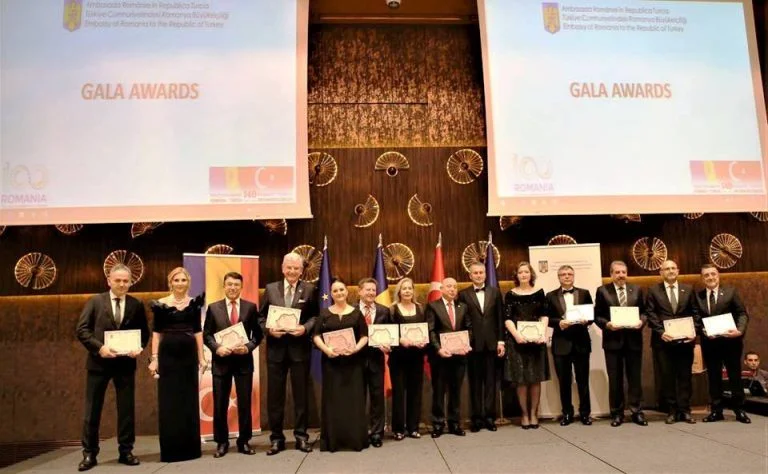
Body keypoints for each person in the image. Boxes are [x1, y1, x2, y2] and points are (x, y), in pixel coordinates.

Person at [75, 264, 149, 471]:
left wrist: (139, 347)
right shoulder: (95, 301)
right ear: (109, 281)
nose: (122, 284)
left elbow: (144, 333)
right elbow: (82, 330)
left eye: (126, 281)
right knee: (92, 410)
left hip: (125, 364)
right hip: (98, 363)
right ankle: (89, 453)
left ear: (131, 282)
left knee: (126, 410)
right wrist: (100, 348)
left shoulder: (136, 304)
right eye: (118, 280)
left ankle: (126, 451)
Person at [257, 252, 319, 455]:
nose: (292, 271)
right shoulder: (270, 289)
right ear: (283, 269)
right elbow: (260, 317)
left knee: (301, 396)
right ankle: (276, 439)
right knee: (275, 397)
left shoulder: (309, 289)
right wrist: (269, 330)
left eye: (296, 268)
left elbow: (316, 317)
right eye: (289, 267)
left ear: (301, 271)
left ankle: (301, 437)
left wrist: (305, 328)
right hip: (276, 350)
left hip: (300, 350)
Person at [203, 272, 264, 458]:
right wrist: (217, 348)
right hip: (221, 363)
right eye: (229, 284)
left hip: (244, 362)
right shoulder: (213, 308)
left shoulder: (250, 307)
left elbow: (258, 335)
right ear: (224, 286)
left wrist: (248, 347)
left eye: (236, 285)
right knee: (220, 404)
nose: (233, 288)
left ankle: (244, 441)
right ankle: (221, 442)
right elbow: (207, 335)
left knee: (245, 403)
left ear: (241, 287)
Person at [148, 267, 206, 462]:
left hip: (188, 357)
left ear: (188, 283)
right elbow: (156, 333)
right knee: (169, 402)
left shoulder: (194, 304)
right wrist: (154, 358)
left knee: (188, 401)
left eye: (183, 280)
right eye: (176, 280)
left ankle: (190, 449)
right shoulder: (160, 304)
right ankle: (171, 450)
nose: (180, 283)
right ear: (170, 282)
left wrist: (202, 357)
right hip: (168, 357)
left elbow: (198, 332)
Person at [312, 278, 369, 452]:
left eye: (341, 290)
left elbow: (364, 336)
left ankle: (355, 440)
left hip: (353, 364)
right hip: (331, 364)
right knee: (333, 402)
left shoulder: (356, 313)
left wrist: (355, 349)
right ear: (331, 294)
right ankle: (333, 441)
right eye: (335, 291)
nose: (339, 293)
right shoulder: (324, 314)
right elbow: (316, 336)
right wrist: (326, 350)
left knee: (353, 401)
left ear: (347, 291)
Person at [694, 264, 751, 423]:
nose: (710, 277)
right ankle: (716, 411)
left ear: (718, 275)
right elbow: (696, 318)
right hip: (710, 343)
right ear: (702, 278)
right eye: (706, 275)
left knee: (734, 377)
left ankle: (739, 410)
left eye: (713, 274)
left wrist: (739, 330)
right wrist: (702, 330)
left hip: (731, 342)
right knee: (713, 377)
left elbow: (742, 314)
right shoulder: (698, 296)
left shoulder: (731, 292)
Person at [594, 260, 647, 427]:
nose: (621, 275)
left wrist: (641, 322)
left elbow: (644, 312)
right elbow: (597, 316)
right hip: (613, 341)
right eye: (617, 272)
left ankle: (636, 412)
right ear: (611, 274)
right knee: (615, 379)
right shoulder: (602, 291)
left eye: (623, 272)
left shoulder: (637, 289)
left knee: (635, 379)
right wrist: (607, 324)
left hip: (633, 341)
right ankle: (617, 413)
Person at [645, 259, 697, 424]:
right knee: (667, 377)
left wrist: (693, 331)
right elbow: (650, 314)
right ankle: (672, 410)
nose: (671, 271)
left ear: (678, 271)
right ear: (661, 272)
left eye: (673, 268)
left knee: (685, 376)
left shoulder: (688, 289)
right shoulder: (653, 291)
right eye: (667, 268)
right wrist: (661, 332)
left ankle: (685, 410)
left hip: (685, 341)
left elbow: (695, 312)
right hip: (663, 342)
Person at [457, 262, 504, 432]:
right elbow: (462, 321)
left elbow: (500, 318)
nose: (478, 275)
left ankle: (490, 417)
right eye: (475, 273)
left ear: (485, 274)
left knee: (491, 383)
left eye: (481, 272)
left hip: (492, 344)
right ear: (470, 275)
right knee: (475, 383)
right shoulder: (463, 294)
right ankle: (476, 418)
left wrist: (501, 341)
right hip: (472, 345)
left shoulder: (495, 292)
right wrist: (464, 342)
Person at [545, 265, 594, 426]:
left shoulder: (584, 293)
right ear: (558, 277)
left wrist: (587, 321)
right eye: (563, 274)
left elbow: (591, 316)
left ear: (573, 276)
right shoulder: (550, 296)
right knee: (564, 382)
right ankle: (567, 413)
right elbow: (547, 318)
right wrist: (559, 323)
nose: (567, 276)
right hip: (561, 344)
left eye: (569, 274)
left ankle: (585, 413)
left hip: (581, 343)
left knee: (583, 381)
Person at [503, 261, 549, 430]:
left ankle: (533, 414)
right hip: (517, 342)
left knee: (535, 379)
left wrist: (542, 333)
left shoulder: (540, 293)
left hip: (537, 342)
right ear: (516, 275)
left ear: (531, 274)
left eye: (526, 272)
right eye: (520, 272)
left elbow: (544, 315)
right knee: (521, 380)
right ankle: (524, 415)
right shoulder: (510, 294)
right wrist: (517, 336)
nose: (523, 275)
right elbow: (507, 318)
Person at [426, 277, 472, 438]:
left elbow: (469, 328)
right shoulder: (433, 306)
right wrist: (438, 349)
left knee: (455, 391)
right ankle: (438, 424)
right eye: (449, 286)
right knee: (439, 391)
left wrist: (466, 344)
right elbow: (430, 330)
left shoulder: (463, 307)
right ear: (442, 289)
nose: (452, 289)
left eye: (454, 287)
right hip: (440, 357)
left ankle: (454, 423)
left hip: (459, 357)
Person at [388, 277, 427, 440]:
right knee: (399, 394)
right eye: (404, 288)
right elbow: (389, 332)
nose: (407, 291)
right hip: (398, 357)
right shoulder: (392, 310)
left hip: (416, 357)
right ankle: (398, 429)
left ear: (413, 291)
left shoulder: (420, 308)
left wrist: (424, 341)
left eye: (409, 288)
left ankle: (413, 428)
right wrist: (399, 340)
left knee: (415, 393)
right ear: (399, 291)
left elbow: (425, 330)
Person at [357, 277, 390, 447]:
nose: (371, 293)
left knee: (377, 398)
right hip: (356, 361)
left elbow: (391, 334)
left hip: (377, 360)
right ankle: (359, 432)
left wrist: (389, 345)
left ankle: (377, 433)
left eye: (373, 290)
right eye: (367, 289)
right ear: (359, 291)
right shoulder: (351, 310)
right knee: (358, 398)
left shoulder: (384, 311)